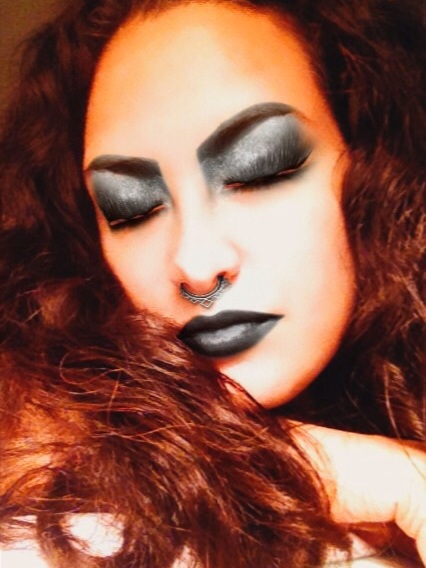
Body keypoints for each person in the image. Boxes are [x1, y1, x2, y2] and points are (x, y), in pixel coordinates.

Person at [0, 0, 424, 566]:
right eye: (130, 207)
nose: (196, 263)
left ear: (379, 169)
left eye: (259, 170)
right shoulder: (54, 513)